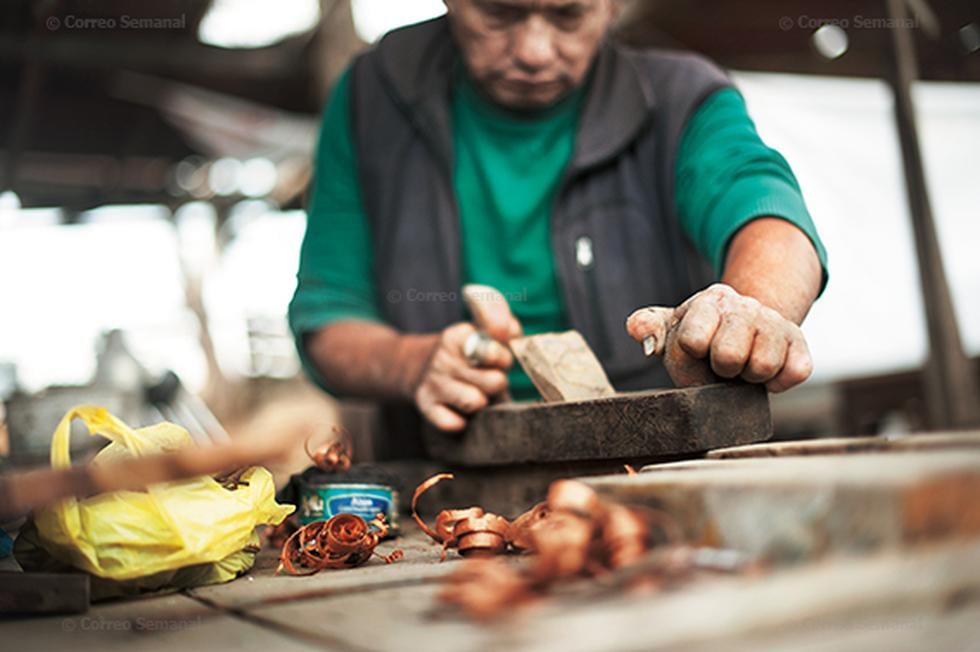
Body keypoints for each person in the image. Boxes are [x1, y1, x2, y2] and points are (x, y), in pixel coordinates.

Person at [289, 0, 827, 441]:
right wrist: (413, 362)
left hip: (658, 465)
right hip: (440, 483)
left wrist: (751, 309)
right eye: (497, 15)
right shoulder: (371, 97)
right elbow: (327, 318)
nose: (533, 52)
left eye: (569, 16)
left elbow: (763, 204)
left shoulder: (683, 97)